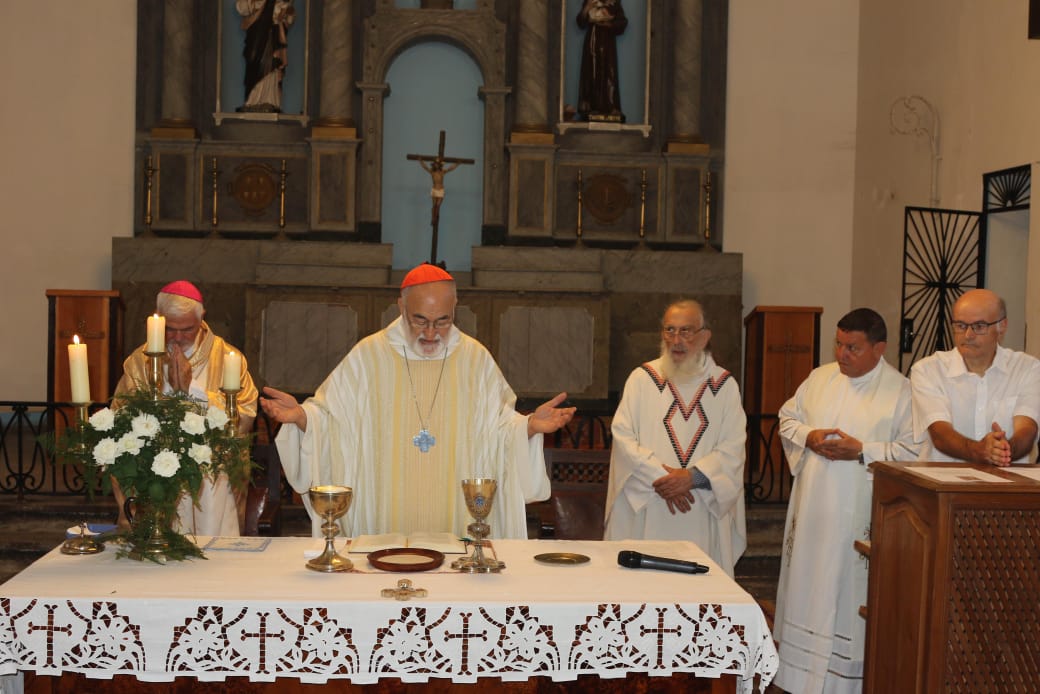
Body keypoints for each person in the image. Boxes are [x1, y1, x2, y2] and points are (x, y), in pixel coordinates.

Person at [260, 263, 576, 539]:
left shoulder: (475, 360)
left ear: (455, 308)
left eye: (442, 321)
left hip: (456, 523)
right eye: (420, 320)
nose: (431, 333)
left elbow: (499, 431)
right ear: (401, 307)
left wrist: (529, 427)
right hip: (384, 523)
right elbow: (331, 419)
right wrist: (303, 417)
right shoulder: (368, 357)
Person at [773, 308, 916, 694]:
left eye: (853, 347)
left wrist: (863, 450)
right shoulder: (819, 378)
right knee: (807, 590)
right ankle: (797, 679)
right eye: (838, 344)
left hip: (859, 521)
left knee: (847, 598)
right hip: (813, 513)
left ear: (879, 348)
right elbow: (787, 419)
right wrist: (809, 436)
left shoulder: (901, 391)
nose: (842, 354)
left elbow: (913, 451)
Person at [604, 299, 746, 576]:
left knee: (698, 588)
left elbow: (733, 447)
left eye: (686, 331)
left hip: (700, 504)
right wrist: (663, 479)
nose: (676, 340)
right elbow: (622, 436)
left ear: (704, 336)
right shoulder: (642, 379)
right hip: (649, 500)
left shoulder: (723, 386)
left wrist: (693, 478)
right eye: (670, 330)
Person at [114, 280, 258, 536]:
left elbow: (243, 417)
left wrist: (193, 390)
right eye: (170, 328)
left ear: (202, 319)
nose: (178, 338)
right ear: (158, 318)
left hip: (213, 475)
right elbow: (121, 418)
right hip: (156, 471)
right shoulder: (138, 362)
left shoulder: (228, 358)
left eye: (187, 329)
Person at [911, 288, 1040, 466]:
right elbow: (940, 434)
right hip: (942, 481)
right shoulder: (928, 370)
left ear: (1002, 327)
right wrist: (980, 451)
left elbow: (1027, 429)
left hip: (1006, 481)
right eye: (960, 326)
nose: (968, 335)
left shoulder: (1027, 368)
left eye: (979, 327)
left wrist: (1004, 451)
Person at [236, 0, 296, 113]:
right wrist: (255, 4)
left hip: (273, 34)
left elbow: (289, 16)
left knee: (273, 64)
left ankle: (270, 100)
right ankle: (252, 100)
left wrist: (285, 11)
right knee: (255, 61)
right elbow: (241, 7)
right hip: (257, 33)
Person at [576, 0, 627, 122]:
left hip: (608, 41)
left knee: (610, 73)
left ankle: (611, 107)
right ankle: (592, 107)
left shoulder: (614, 3)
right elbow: (581, 22)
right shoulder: (590, 1)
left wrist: (609, 23)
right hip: (593, 40)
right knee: (592, 72)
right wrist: (587, 8)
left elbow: (622, 22)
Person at [418, 157, 461, 227]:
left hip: (440, 190)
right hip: (434, 190)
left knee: (438, 206)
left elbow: (450, 168)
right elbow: (425, 167)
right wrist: (420, 161)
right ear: (434, 165)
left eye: (437, 164)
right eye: (435, 164)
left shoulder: (442, 172)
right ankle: (433, 218)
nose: (436, 165)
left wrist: (457, 164)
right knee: (434, 206)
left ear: (439, 165)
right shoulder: (432, 172)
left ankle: (435, 218)